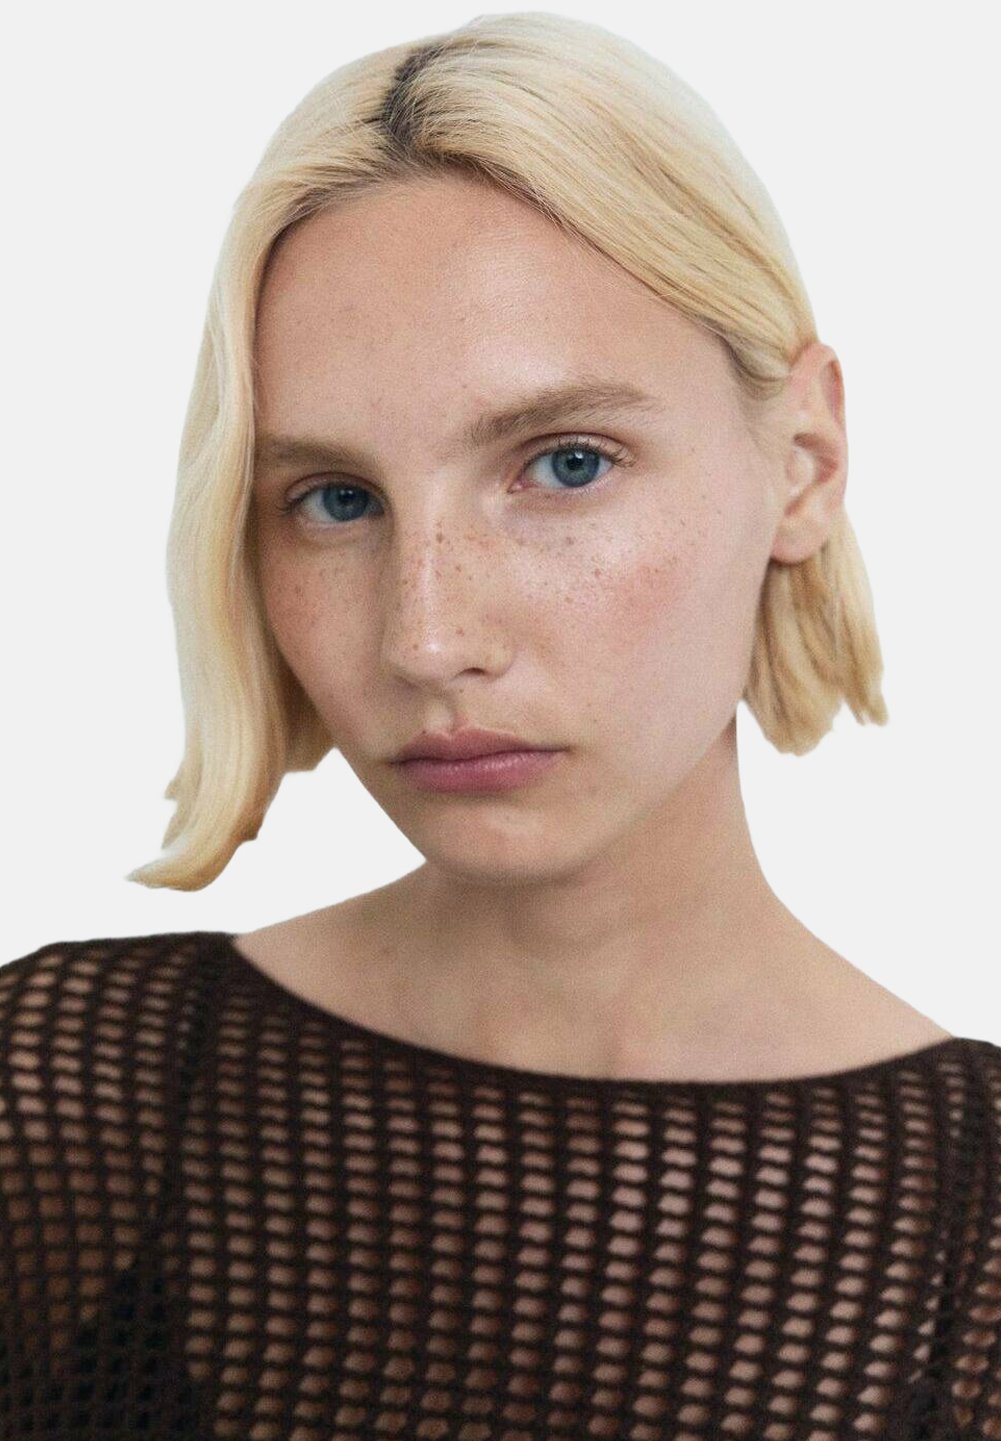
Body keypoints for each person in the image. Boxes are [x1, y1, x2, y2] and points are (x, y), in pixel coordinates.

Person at [2, 12, 999, 1437]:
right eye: (334, 499)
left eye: (566, 464)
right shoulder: (72, 1100)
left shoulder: (976, 1233)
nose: (425, 637)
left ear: (803, 461)